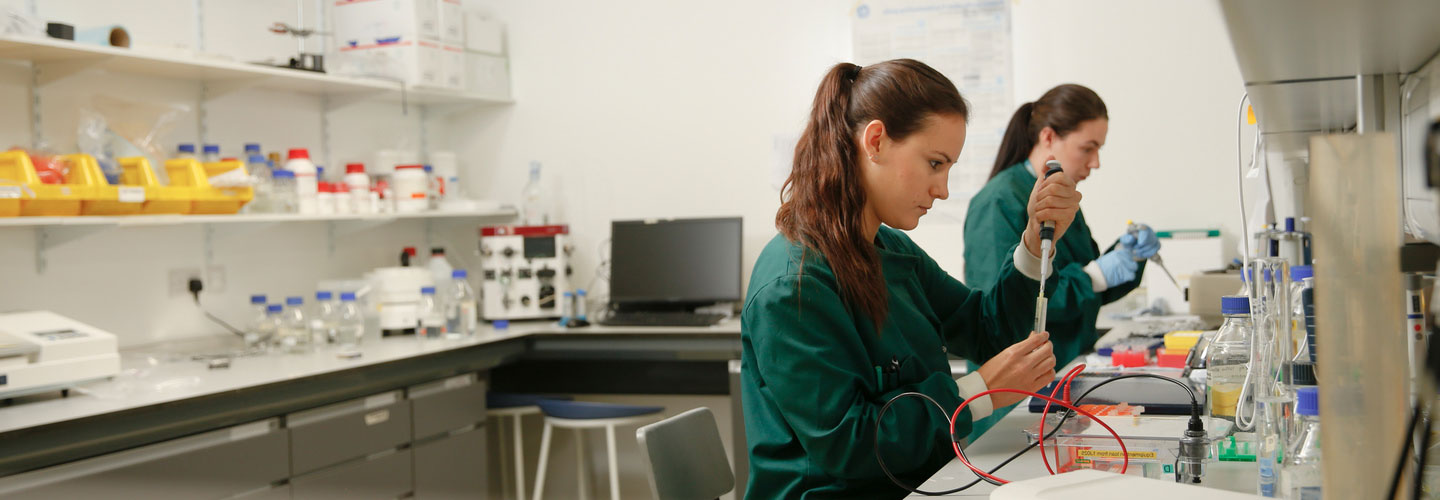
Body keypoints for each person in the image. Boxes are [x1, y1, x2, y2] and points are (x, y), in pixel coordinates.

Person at [740, 59, 1082, 499]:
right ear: (876, 141)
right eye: (934, 163)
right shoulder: (794, 284)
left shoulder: (890, 249)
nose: (943, 189)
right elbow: (851, 445)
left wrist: (1034, 242)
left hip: (923, 481)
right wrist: (981, 391)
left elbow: (985, 329)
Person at [961, 84, 1160, 440]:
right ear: (1049, 136)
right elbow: (1005, 309)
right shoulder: (998, 203)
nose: (1095, 163)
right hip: (1015, 396)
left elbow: (1086, 285)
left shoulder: (1061, 197)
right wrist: (1095, 275)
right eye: (1088, 148)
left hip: (1062, 382)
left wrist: (1126, 256)